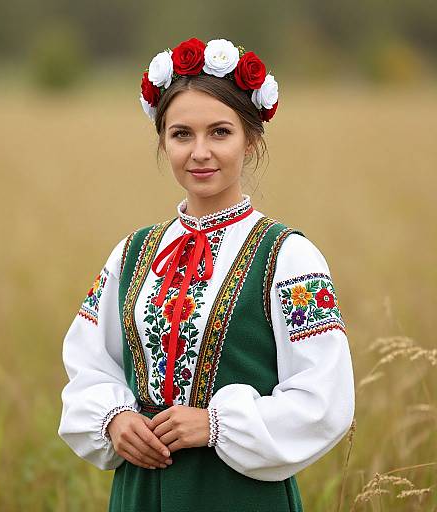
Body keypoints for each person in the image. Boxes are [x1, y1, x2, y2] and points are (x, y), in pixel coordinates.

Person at [58, 37, 355, 512]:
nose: (200, 152)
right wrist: (113, 419)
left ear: (250, 139)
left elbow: (325, 399)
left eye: (220, 132)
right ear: (163, 142)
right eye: (181, 134)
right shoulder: (132, 253)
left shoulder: (290, 257)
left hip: (240, 493)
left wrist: (216, 424)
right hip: (142, 491)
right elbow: (88, 363)